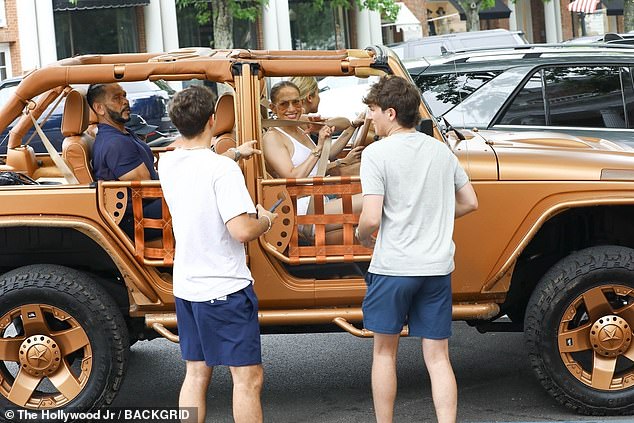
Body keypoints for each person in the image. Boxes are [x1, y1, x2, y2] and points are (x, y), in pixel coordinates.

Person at [356, 75, 478, 423]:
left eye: (374, 111)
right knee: (438, 357)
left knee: (383, 353)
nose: (371, 118)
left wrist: (363, 236)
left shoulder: (376, 154)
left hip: (393, 267)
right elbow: (470, 202)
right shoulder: (440, 151)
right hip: (437, 268)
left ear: (391, 113)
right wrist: (434, 211)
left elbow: (371, 216)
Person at [159, 85, 277, 423]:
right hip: (224, 288)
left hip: (187, 288)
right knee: (247, 380)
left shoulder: (168, 163)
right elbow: (241, 230)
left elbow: (200, 165)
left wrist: (234, 154)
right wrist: (265, 220)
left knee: (196, 374)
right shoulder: (221, 171)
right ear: (213, 120)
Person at [87, 83, 259, 238]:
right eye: (117, 98)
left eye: (124, 95)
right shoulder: (115, 143)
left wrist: (233, 153)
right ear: (99, 108)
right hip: (142, 216)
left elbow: (198, 168)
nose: (125, 101)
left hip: (152, 205)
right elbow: (146, 189)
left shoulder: (121, 134)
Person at [262, 81, 363, 237]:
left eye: (296, 102)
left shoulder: (300, 125)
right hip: (306, 208)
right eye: (284, 104)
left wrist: (327, 124)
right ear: (273, 108)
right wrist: (318, 147)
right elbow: (292, 177)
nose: (291, 108)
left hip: (323, 199)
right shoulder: (272, 137)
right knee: (374, 200)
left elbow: (342, 124)